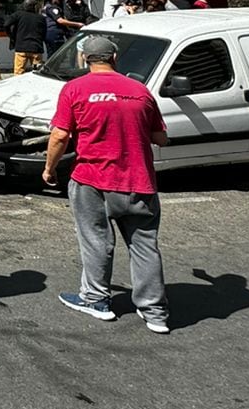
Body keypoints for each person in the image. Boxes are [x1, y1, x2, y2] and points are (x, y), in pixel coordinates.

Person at [42, 34, 169, 333]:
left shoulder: (75, 89)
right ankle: (155, 313)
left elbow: (60, 135)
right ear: (114, 58)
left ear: (85, 59)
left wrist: (49, 169)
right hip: (139, 181)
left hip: (92, 180)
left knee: (96, 240)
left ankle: (96, 299)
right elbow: (160, 137)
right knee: (144, 246)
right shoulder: (140, 91)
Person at [7, 0, 47, 74]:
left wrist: (12, 36)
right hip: (36, 48)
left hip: (21, 48)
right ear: (34, 7)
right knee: (37, 73)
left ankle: (19, 85)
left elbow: (6, 24)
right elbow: (44, 33)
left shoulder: (18, 14)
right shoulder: (41, 18)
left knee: (18, 73)